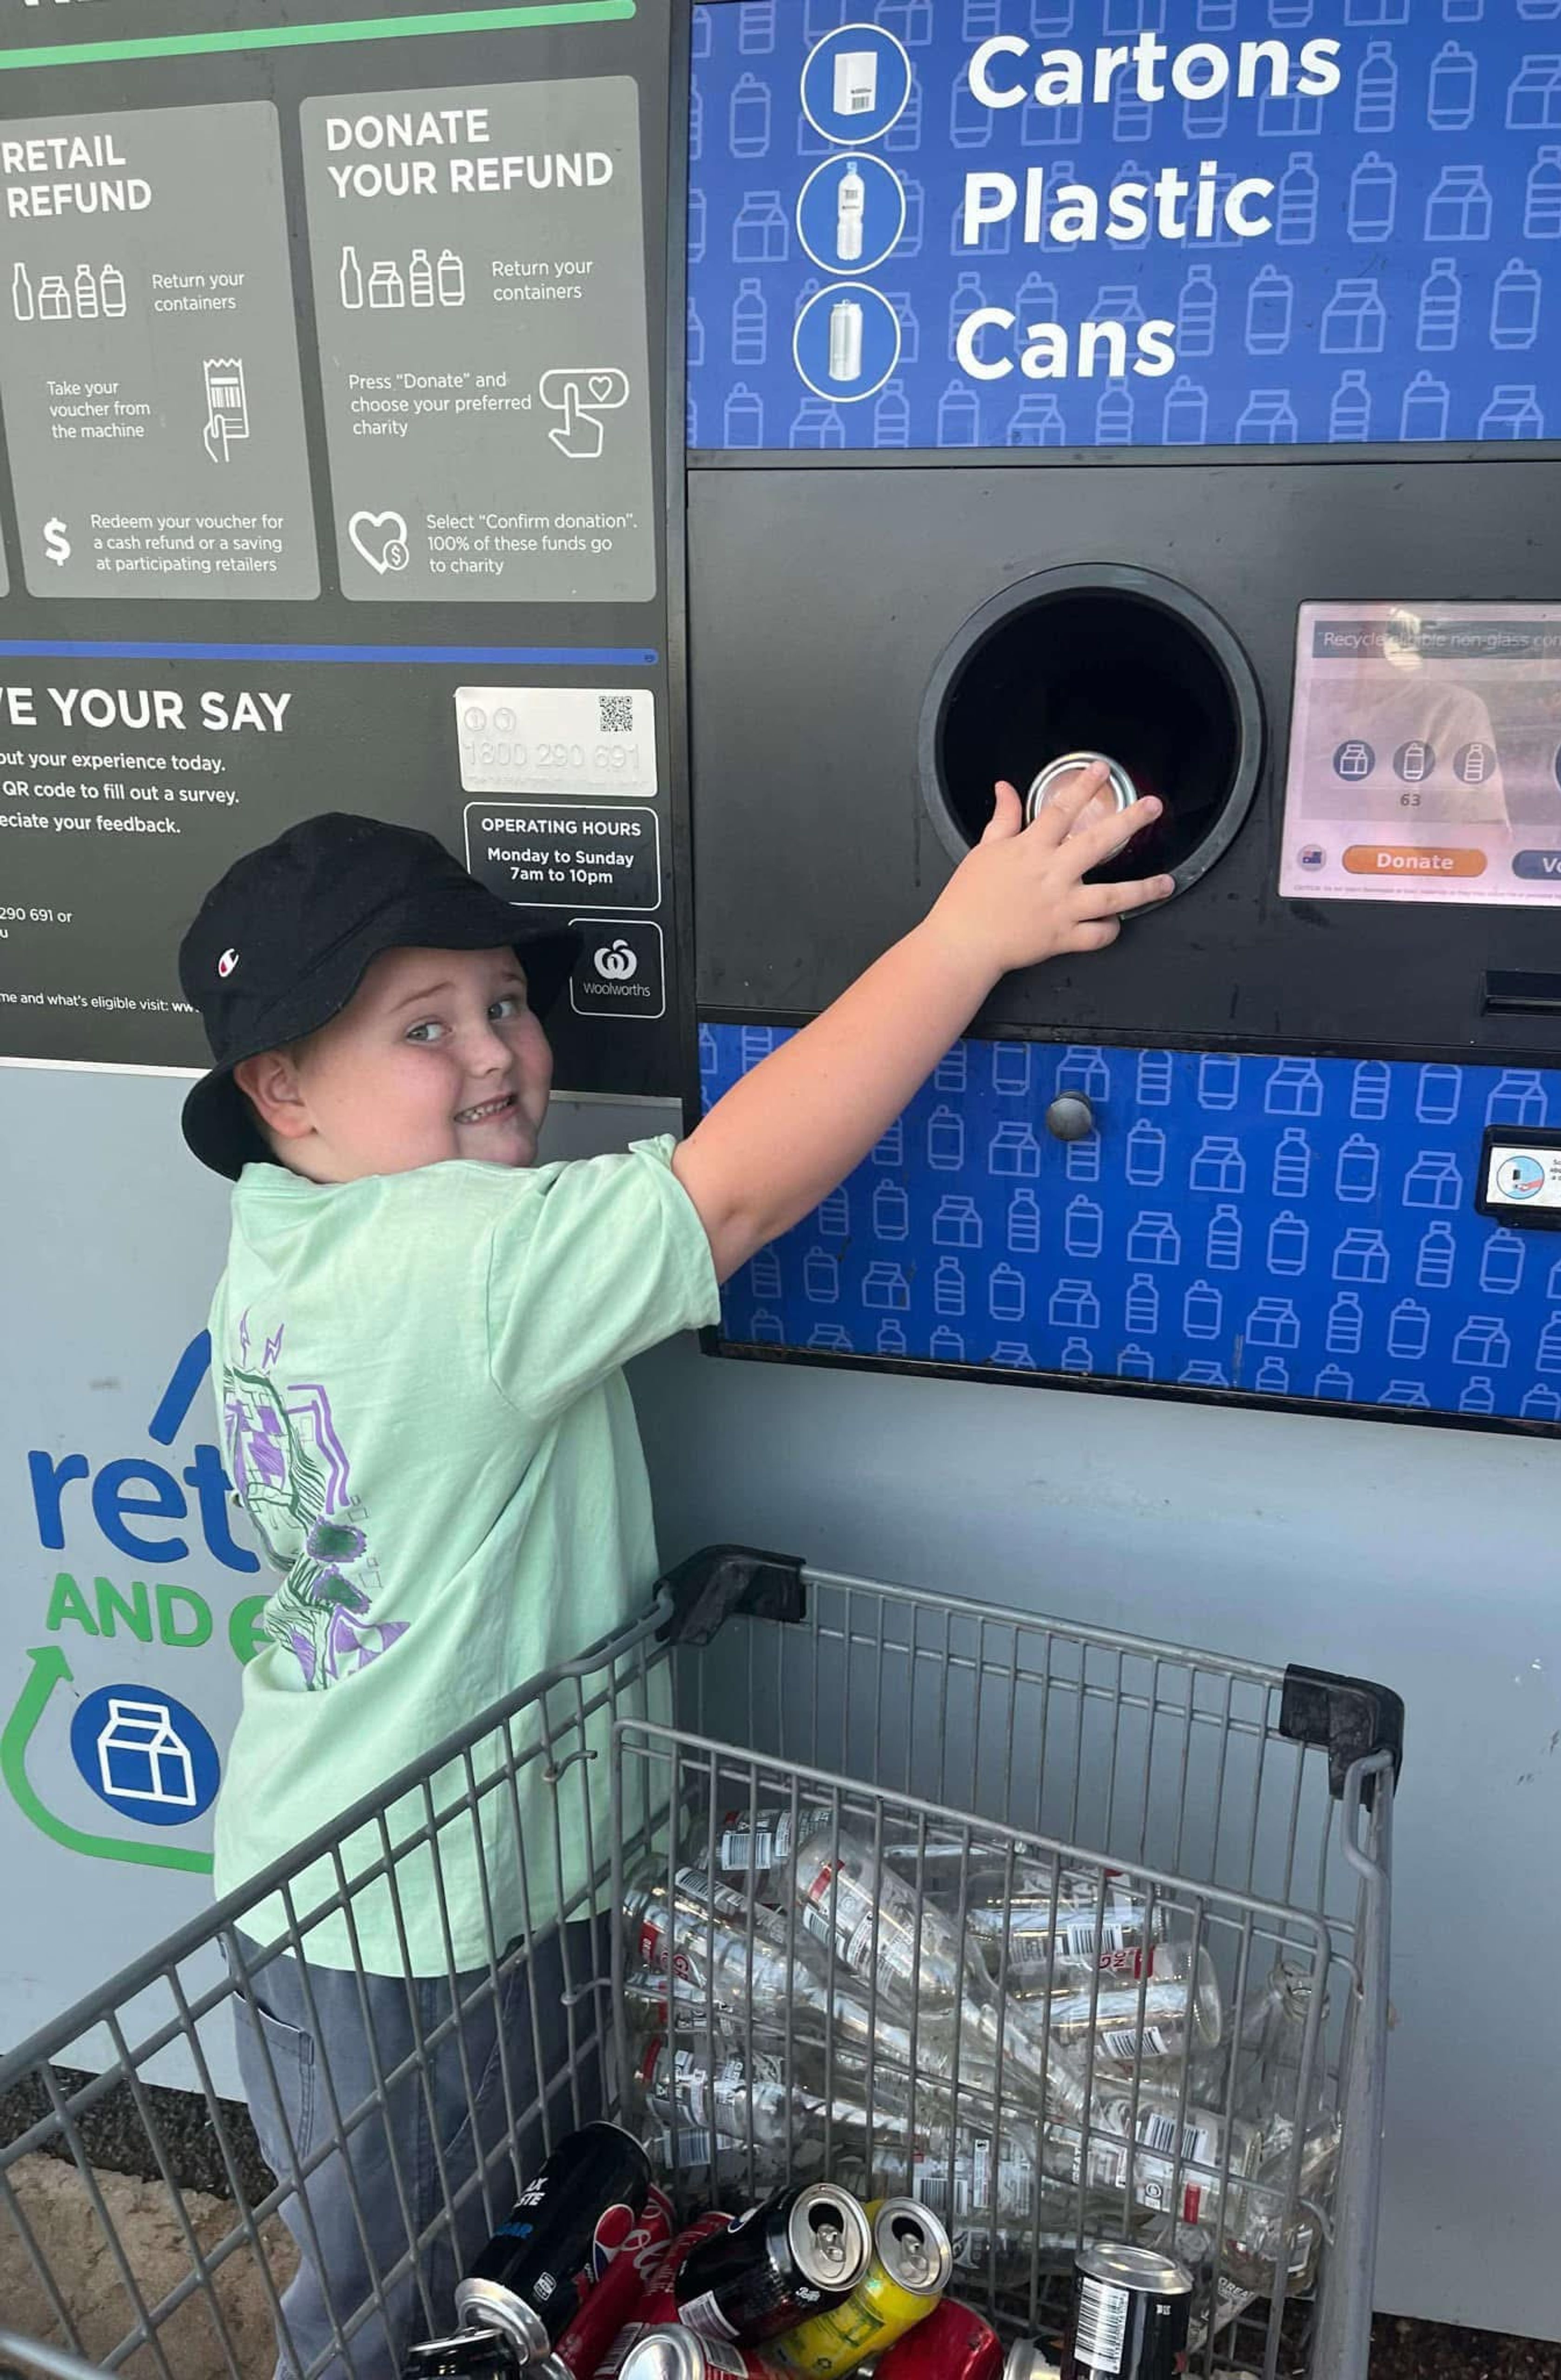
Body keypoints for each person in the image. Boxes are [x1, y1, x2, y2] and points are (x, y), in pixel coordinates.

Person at [176, 771, 1166, 2380]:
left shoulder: (288, 1246)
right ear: (280, 1088)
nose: (498, 1052)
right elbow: (739, 1183)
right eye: (421, 1029)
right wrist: (969, 936)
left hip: (347, 1878)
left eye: (504, 1002)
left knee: (462, 2279)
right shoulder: (452, 1261)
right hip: (443, 1923)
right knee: (418, 2316)